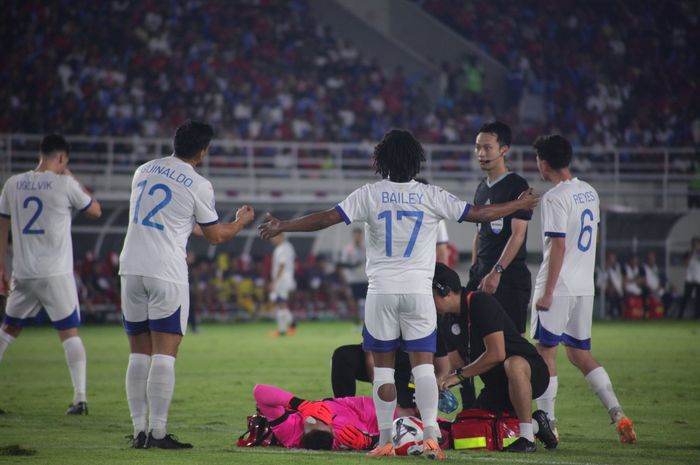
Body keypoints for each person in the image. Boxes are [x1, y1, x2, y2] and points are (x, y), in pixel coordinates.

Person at [259, 128, 539, 458]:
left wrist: (283, 226)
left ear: (381, 161)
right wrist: (515, 206)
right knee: (423, 369)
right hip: (419, 294)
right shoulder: (430, 194)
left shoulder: (369, 194)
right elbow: (478, 214)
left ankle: (385, 441)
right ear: (416, 162)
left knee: (384, 371)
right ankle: (432, 435)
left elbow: (326, 219)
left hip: (381, 294)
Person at [119, 121, 255, 449]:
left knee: (138, 353)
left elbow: (170, 220)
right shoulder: (198, 183)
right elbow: (216, 236)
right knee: (165, 353)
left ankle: (139, 431)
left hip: (130, 268)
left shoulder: (143, 171)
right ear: (203, 151)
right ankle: (159, 433)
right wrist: (240, 221)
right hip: (165, 271)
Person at [529, 134, 636, 444]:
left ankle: (549, 422)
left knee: (545, 353)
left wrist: (548, 292)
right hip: (583, 287)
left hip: (558, 287)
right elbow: (592, 239)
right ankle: (617, 413)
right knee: (579, 354)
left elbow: (559, 245)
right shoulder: (589, 192)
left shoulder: (554, 198)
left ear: (544, 163)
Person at [0, 134, 102, 415]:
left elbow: (2, 226)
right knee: (69, 334)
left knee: (7, 331)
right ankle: (80, 398)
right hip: (56, 273)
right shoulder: (64, 182)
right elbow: (95, 210)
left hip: (23, 271)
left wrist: (1, 266)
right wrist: (73, 178)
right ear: (61, 158)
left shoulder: (13, 184)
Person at [432, 263, 557, 453]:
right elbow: (457, 365)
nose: (427, 301)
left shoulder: (479, 302)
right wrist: (437, 382)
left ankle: (527, 440)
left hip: (530, 372)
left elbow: (496, 353)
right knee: (475, 423)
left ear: (446, 292)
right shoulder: (446, 320)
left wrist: (457, 376)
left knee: (512, 363)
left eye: (430, 295)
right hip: (496, 384)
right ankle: (536, 425)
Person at [468, 121, 532, 335]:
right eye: (478, 147)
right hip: (481, 277)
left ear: (504, 150)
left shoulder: (517, 186)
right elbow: (479, 233)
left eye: (487, 147)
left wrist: (497, 271)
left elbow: (518, 235)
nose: (481, 153)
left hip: (508, 279)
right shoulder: (481, 188)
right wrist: (475, 267)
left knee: (514, 348)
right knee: (478, 344)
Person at [253, 384, 390, 451]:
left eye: (312, 419)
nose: (317, 417)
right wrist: (371, 441)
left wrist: (301, 404)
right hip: (374, 416)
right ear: (332, 431)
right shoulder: (344, 435)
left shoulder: (289, 430)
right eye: (323, 421)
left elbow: (259, 390)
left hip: (365, 406)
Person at [268, 233, 297, 336]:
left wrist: (274, 281)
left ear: (280, 236)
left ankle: (283, 330)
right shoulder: (288, 247)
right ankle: (289, 325)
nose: (272, 239)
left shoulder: (282, 248)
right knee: (281, 303)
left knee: (280, 303)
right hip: (286, 278)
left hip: (282, 280)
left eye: (273, 237)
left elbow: (281, 265)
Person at [678, 237, 700, 319]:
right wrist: (692, 253)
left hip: (699, 279)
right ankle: (680, 315)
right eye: (694, 243)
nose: (696, 245)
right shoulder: (688, 253)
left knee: (698, 299)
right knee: (686, 297)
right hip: (689, 279)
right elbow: (685, 264)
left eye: (697, 243)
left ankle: (696, 316)